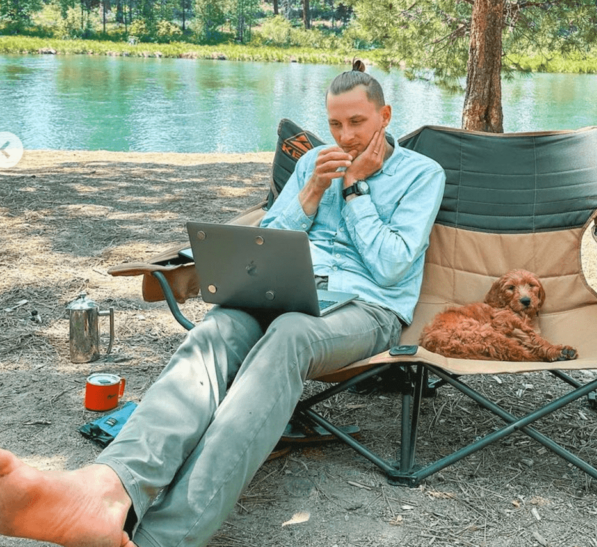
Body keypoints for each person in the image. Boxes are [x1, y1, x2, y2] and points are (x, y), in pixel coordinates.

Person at [0, 61, 446, 547]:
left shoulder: (422, 174)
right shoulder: (311, 163)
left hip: (366, 309)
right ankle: (106, 492)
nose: (344, 136)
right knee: (216, 328)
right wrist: (312, 193)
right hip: (287, 293)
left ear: (384, 115)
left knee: (288, 338)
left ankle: (160, 538)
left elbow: (392, 267)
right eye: (335, 124)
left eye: (357, 123)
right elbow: (267, 243)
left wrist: (356, 189)